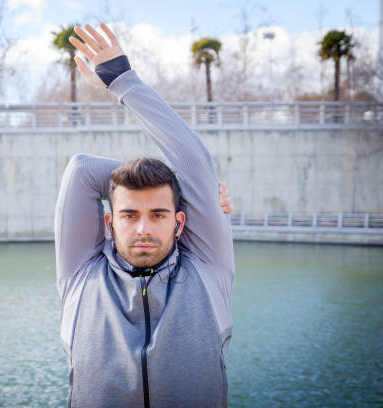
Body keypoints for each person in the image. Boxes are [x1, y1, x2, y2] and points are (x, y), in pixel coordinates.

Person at [55, 22, 235, 408]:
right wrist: (176, 188)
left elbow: (193, 162)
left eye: (158, 213)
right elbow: (81, 170)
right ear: (109, 222)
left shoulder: (209, 268)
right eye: (128, 214)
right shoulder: (80, 274)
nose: (143, 228)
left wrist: (121, 80)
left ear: (180, 221)